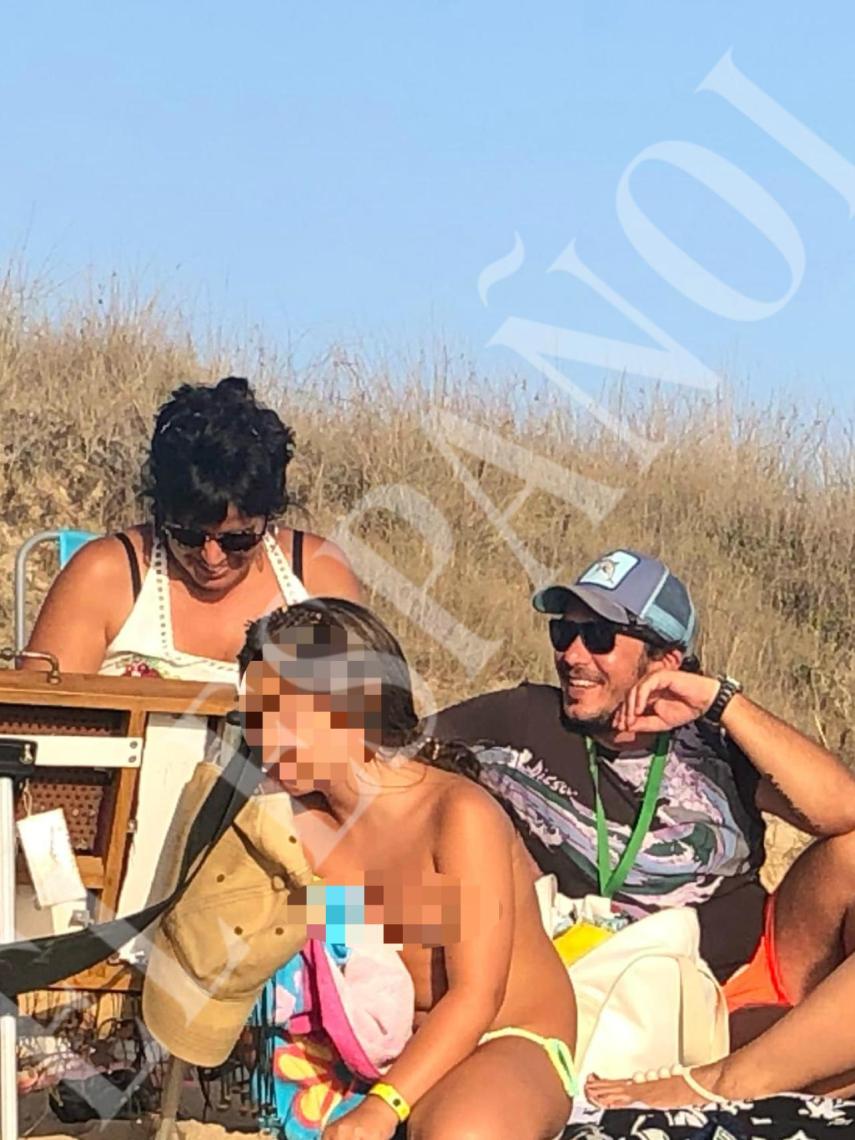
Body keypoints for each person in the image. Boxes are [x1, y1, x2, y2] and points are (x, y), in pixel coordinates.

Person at [432, 549, 855, 1107]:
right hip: (610, 992)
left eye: (601, 637)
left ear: (664, 661)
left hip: (746, 976)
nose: (573, 655)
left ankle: (737, 1077)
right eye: (564, 632)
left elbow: (842, 809)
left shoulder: (719, 744)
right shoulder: (516, 721)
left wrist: (719, 701)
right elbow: (388, 769)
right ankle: (756, 1075)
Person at [239, 598, 578, 1140]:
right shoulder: (290, 820)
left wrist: (381, 1107)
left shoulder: (457, 815)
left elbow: (477, 995)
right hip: (362, 1042)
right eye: (257, 714)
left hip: (501, 1036)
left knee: (459, 1132)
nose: (267, 735)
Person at [25, 376, 362, 684]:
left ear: (268, 519)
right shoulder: (104, 575)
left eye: (237, 540)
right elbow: (36, 717)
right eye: (188, 536)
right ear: (160, 514)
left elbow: (368, 722)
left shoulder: (317, 575)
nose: (211, 557)